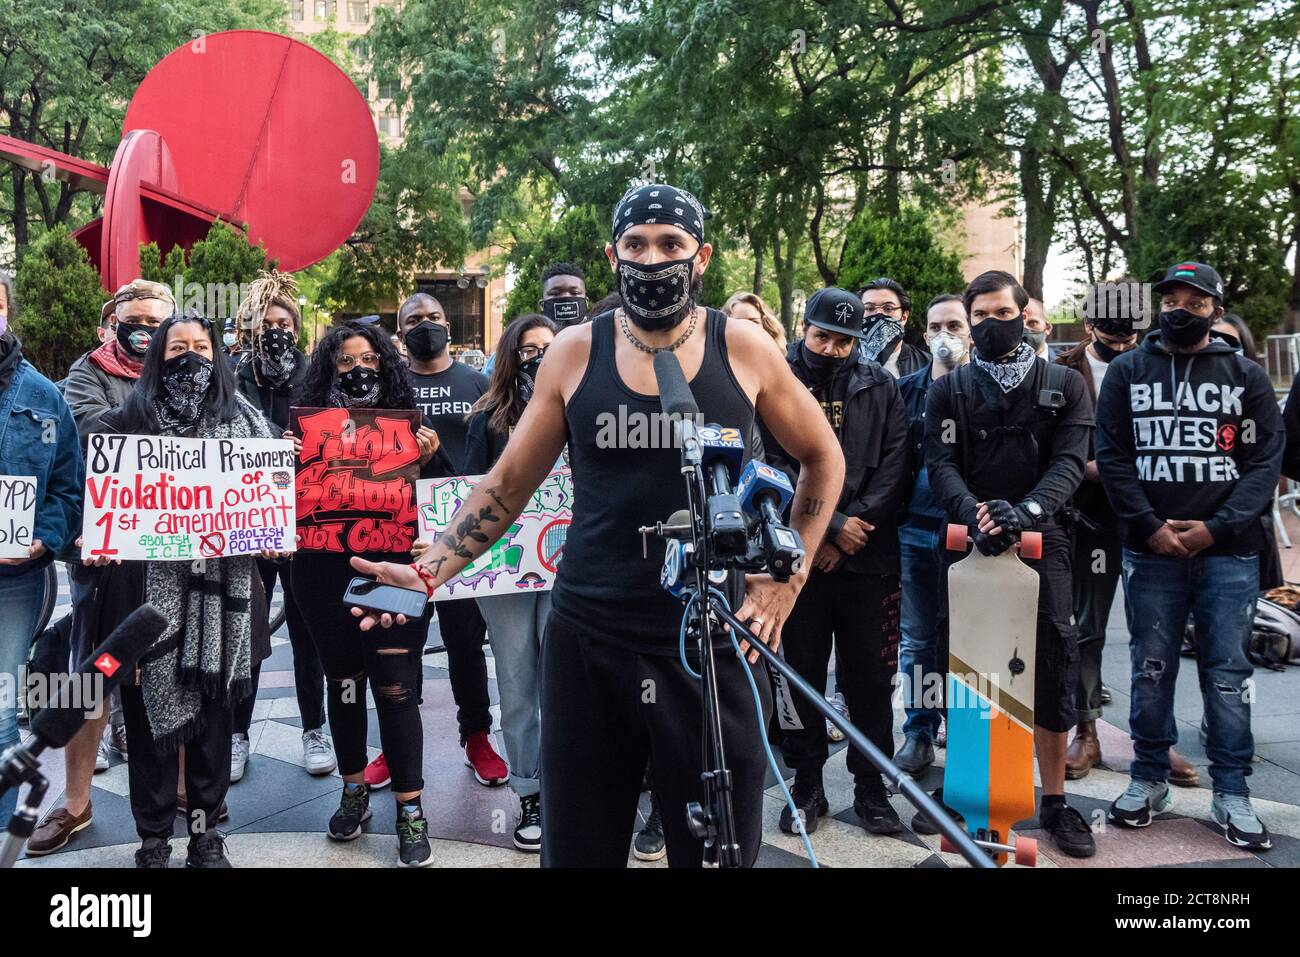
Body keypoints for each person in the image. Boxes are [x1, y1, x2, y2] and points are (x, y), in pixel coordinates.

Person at [348, 181, 845, 868]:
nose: (652, 259)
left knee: (718, 853)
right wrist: (427, 570)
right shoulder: (576, 351)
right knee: (579, 849)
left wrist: (783, 583)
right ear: (614, 255)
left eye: (670, 244)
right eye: (636, 245)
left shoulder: (746, 348)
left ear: (701, 256)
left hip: (708, 644)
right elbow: (508, 483)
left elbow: (823, 457)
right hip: (590, 640)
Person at [1096, 261, 1282, 850]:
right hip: (1149, 552)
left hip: (1229, 554)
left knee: (1228, 674)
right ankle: (1148, 775)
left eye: (1194, 301)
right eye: (1170, 299)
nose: (1180, 308)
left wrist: (1216, 527)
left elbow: (1263, 464)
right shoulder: (1128, 370)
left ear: (1216, 311)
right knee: (1150, 667)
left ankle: (1232, 789)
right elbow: (1113, 454)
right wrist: (1149, 526)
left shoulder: (1246, 376)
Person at [89, 312, 282, 868]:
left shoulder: (248, 423)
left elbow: (269, 500)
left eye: (201, 346)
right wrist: (100, 534)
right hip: (145, 603)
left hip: (226, 603)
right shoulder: (128, 421)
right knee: (146, 725)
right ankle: (152, 841)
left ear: (218, 356)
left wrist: (272, 534)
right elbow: (104, 497)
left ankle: (205, 836)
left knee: (215, 723)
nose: (191, 357)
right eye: (177, 348)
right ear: (157, 358)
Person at [922, 269, 1097, 858]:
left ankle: (1053, 800)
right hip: (970, 536)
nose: (992, 324)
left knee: (1049, 665)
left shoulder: (1066, 384)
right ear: (969, 321)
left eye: (1004, 313)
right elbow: (940, 461)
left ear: (1025, 315)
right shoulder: (950, 389)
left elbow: (1071, 462)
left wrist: (1026, 511)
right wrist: (975, 513)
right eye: (981, 315)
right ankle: (965, 789)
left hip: (1042, 539)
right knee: (967, 666)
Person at [27, 279, 174, 856]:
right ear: (109, 326)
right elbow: (96, 433)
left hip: (173, 543)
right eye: (133, 320)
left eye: (155, 322)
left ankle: (185, 789)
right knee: (93, 671)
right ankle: (75, 802)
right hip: (105, 549)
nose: (144, 331)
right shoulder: (85, 375)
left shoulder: (193, 367)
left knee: (174, 664)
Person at [289, 321, 444, 866]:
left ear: (389, 365)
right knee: (345, 683)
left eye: (372, 360)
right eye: (347, 361)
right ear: (328, 367)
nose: (360, 370)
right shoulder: (303, 429)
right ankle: (353, 789)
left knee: (397, 688)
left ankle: (411, 807)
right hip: (320, 571)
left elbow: (448, 501)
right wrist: (282, 465)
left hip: (393, 569)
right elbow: (271, 502)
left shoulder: (411, 429)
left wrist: (431, 460)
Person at [765, 287, 911, 835]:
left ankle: (872, 787)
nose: (831, 349)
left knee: (871, 680)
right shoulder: (776, 380)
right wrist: (825, 527)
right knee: (799, 676)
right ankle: (806, 785)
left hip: (869, 556)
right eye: (822, 336)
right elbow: (770, 462)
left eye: (844, 341)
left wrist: (852, 526)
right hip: (797, 554)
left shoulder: (880, 385)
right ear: (804, 328)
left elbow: (898, 462)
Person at [393, 293, 507, 790]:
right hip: (400, 535)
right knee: (403, 643)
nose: (426, 325)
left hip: (464, 538)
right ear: (400, 334)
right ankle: (397, 742)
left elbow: (500, 460)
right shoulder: (390, 387)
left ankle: (477, 736)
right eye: (414, 320)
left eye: (433, 317)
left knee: (465, 643)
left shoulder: (478, 384)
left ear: (448, 325)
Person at [455, 312, 558, 852]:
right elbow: (473, 492)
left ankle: (571, 787)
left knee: (567, 681)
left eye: (548, 347)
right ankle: (530, 793)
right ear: (508, 356)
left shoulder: (582, 410)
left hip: (569, 569)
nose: (537, 357)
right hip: (509, 575)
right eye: (526, 349)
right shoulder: (487, 419)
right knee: (518, 685)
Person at [228, 272, 333, 782]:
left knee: (307, 631)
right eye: (267, 324)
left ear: (297, 330)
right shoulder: (231, 377)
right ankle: (235, 733)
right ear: (251, 329)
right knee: (244, 630)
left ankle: (315, 727)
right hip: (249, 528)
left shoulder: (316, 377)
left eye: (284, 324)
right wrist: (271, 441)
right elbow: (220, 436)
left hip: (305, 526)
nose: (276, 331)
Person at [0, 286, 84, 830]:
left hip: (14, 578)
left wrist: (44, 537)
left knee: (1, 714)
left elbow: (68, 488)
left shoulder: (43, 396)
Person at [893, 293, 971, 773]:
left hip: (968, 536)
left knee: (965, 642)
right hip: (914, 532)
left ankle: (964, 734)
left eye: (956, 325)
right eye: (937, 326)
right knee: (918, 639)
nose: (947, 335)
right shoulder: (904, 391)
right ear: (924, 335)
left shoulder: (983, 389)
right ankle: (919, 731)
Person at [484, 262, 590, 378]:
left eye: (574, 293)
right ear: (542, 304)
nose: (566, 297)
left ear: (586, 301)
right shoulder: (511, 351)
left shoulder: (600, 345)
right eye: (555, 293)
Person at [857, 278, 928, 378]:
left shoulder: (927, 366)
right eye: (869, 308)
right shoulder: (842, 362)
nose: (879, 313)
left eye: (888, 308)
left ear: (904, 317)